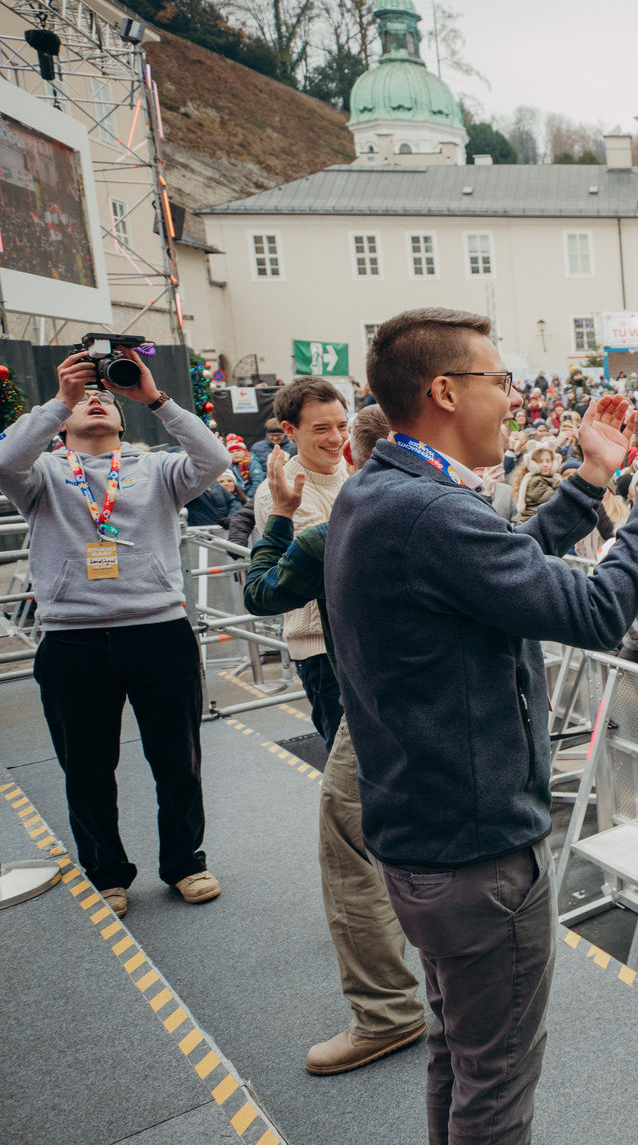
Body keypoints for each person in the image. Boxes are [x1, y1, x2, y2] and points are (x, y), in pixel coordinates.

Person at [325, 308, 638, 1144]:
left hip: (421, 839)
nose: (512, 397)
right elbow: (601, 608)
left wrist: (587, 485)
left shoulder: (380, 493)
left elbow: (493, 573)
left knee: (458, 1057)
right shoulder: (430, 513)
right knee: (494, 1085)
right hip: (475, 857)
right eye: (499, 380)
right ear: (444, 391)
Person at [0, 349, 231, 918]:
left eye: (107, 395)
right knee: (86, 767)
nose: (96, 397)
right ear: (65, 419)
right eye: (87, 397)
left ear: (125, 418)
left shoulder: (155, 468)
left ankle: (185, 862)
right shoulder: (43, 474)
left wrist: (156, 398)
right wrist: (60, 400)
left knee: (177, 759)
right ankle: (106, 870)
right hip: (73, 640)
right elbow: (4, 459)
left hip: (159, 631)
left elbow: (213, 456)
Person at [241, 408, 426, 1075]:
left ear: (354, 446)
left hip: (373, 701)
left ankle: (386, 1012)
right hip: (451, 708)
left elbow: (260, 593)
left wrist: (282, 517)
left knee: (348, 835)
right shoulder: (457, 511)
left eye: (339, 426)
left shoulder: (335, 530)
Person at [254, 377, 350, 750]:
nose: (336, 437)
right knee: (348, 768)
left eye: (342, 425)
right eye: (321, 428)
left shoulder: (354, 475)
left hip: (363, 640)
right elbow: (328, 559)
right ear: (290, 431)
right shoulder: (278, 492)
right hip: (320, 650)